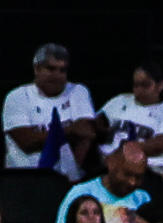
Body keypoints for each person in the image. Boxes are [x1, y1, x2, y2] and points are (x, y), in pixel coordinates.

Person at [3, 43, 97, 179]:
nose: (57, 75)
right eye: (51, 69)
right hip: (23, 178)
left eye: (62, 70)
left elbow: (85, 136)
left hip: (65, 179)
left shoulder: (78, 91)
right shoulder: (17, 96)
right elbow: (27, 142)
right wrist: (70, 131)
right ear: (37, 69)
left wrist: (73, 174)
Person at [96, 61, 163, 182]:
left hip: (152, 169)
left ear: (160, 85)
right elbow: (96, 123)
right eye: (136, 85)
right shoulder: (121, 100)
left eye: (145, 85)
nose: (139, 90)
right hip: (109, 167)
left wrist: (124, 153)